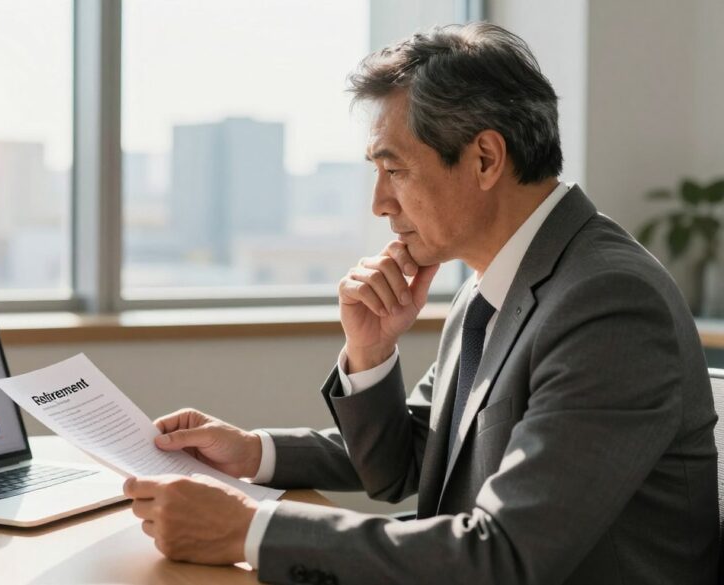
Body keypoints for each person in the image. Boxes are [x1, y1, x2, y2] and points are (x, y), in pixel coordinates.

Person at [122, 22, 719, 585]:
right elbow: (411, 462)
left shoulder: (609, 303)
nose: (380, 203)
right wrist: (351, 366)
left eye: (395, 169)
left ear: (486, 158)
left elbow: (505, 558)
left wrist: (249, 532)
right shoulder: (495, 283)